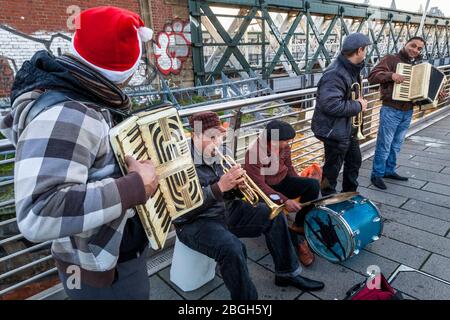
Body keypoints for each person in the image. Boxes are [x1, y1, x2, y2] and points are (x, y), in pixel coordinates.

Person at [0, 7, 158, 299]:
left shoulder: (79, 91)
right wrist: (135, 186)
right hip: (103, 268)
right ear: (124, 68)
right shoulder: (71, 113)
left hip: (103, 255)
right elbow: (39, 211)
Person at [173, 111, 325, 300]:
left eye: (220, 136)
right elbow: (180, 211)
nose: (218, 142)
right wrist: (219, 187)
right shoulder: (178, 162)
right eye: (212, 137)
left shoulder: (222, 153)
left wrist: (237, 187)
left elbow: (228, 193)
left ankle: (286, 274)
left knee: (273, 214)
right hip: (197, 221)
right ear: (195, 135)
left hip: (226, 209)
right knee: (233, 248)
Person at [368, 37, 447, 189]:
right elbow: (372, 76)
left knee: (396, 145)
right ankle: (376, 174)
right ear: (405, 44)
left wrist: (437, 93)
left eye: (419, 49)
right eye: (413, 46)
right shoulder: (391, 59)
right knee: (384, 144)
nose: (415, 50)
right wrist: (391, 75)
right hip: (391, 109)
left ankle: (389, 170)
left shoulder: (418, 66)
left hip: (408, 111)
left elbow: (422, 91)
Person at [243, 120, 319, 267]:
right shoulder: (254, 153)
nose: (287, 144)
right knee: (276, 215)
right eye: (285, 141)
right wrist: (285, 201)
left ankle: (299, 223)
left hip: (283, 181)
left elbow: (289, 168)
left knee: (313, 185)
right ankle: (298, 243)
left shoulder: (284, 147)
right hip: (266, 190)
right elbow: (259, 186)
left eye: (289, 141)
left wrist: (300, 182)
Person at [311, 32, 371, 197]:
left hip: (346, 129)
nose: (366, 53)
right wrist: (358, 105)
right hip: (334, 131)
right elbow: (331, 105)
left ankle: (349, 195)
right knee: (331, 169)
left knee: (354, 162)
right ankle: (327, 197)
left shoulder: (351, 69)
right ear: (359, 50)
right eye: (365, 50)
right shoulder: (336, 73)